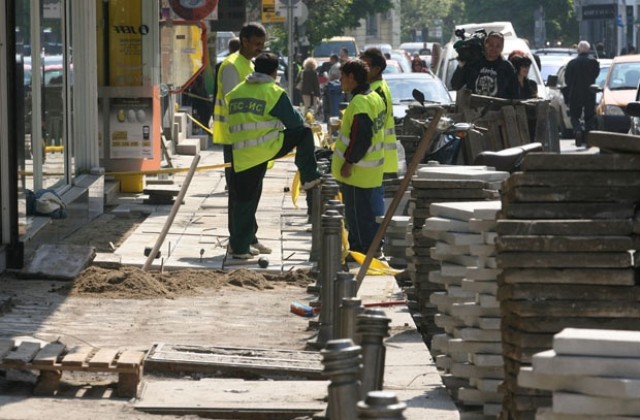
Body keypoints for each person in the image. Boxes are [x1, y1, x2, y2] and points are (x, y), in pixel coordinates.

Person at [225, 52, 321, 259]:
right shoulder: (273, 92)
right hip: (266, 147)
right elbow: (295, 123)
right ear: (274, 72)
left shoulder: (235, 92)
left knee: (244, 199)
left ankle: (239, 244)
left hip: (241, 152)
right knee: (304, 133)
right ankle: (310, 176)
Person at [212, 22, 271, 256]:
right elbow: (234, 103)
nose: (260, 48)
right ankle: (238, 240)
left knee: (252, 192)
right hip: (236, 139)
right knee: (239, 193)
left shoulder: (249, 65)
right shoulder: (231, 66)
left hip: (252, 140)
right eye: (257, 43)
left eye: (262, 44)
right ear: (244, 40)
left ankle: (250, 236)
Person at [331, 59, 386, 257]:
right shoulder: (374, 97)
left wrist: (348, 162)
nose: (340, 82)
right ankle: (371, 248)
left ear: (352, 78)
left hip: (357, 171)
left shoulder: (360, 102)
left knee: (357, 216)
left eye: (342, 78)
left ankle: (361, 252)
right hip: (370, 171)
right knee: (367, 213)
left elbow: (361, 137)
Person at [360, 47, 398, 175]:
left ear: (376, 69)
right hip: (380, 161)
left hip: (376, 162)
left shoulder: (374, 92)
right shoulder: (380, 86)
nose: (361, 70)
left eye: (365, 66)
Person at [450, 31, 518, 99]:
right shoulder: (473, 64)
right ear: (485, 44)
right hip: (474, 107)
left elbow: (515, 94)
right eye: (491, 45)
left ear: (502, 47)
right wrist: (461, 66)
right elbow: (455, 85)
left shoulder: (507, 68)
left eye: (498, 46)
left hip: (497, 108)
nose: (494, 48)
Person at [564, 40, 599, 146]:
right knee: (590, 115)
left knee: (574, 115)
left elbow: (567, 79)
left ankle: (578, 129)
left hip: (575, 93)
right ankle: (588, 135)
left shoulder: (572, 63)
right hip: (590, 92)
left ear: (578, 50)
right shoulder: (593, 62)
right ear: (588, 50)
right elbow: (595, 75)